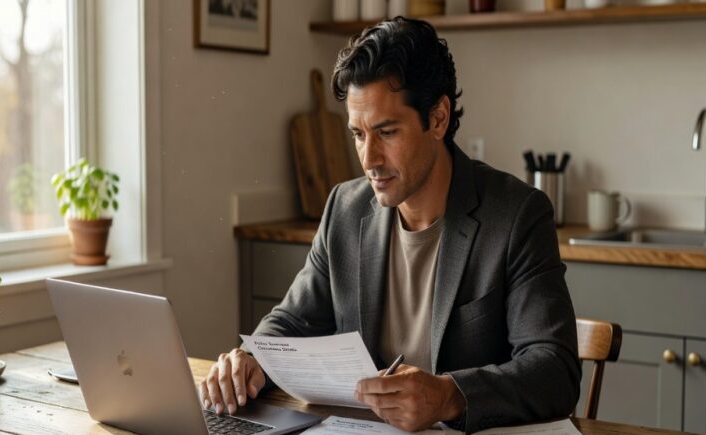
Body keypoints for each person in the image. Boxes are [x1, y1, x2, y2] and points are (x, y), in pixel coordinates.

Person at [201, 17, 581, 434]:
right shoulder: (344, 208)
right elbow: (292, 322)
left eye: (386, 132)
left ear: (437, 118)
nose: (369, 159)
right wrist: (251, 359)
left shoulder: (516, 215)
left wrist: (449, 395)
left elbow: (554, 370)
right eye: (358, 135)